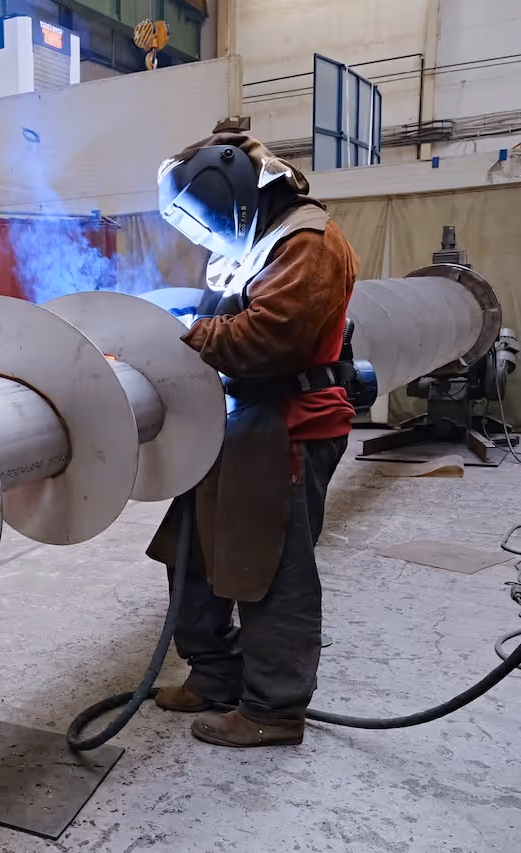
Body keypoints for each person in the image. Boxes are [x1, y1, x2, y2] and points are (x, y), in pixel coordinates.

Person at [146, 132, 359, 747]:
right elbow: (227, 310)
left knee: (273, 571)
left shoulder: (307, 242)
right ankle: (214, 675)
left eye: (202, 221)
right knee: (191, 552)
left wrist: (182, 331)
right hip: (235, 425)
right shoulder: (259, 242)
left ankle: (274, 709)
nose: (203, 237)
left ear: (229, 198)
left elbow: (269, 338)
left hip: (287, 426)